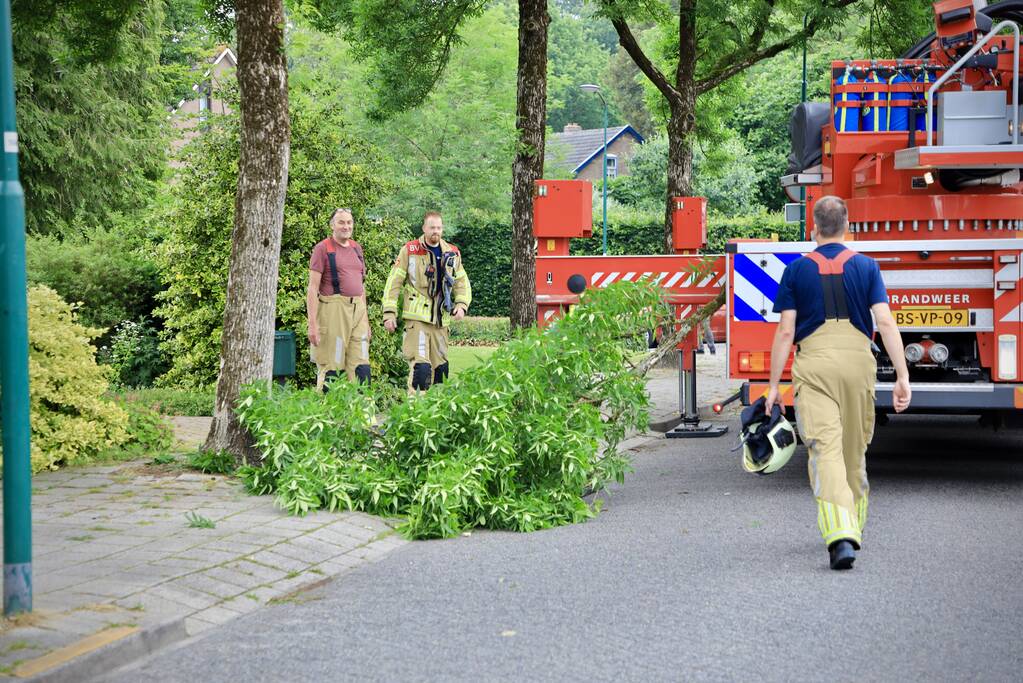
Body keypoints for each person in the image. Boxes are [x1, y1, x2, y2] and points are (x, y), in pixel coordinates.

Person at [765, 195, 911, 570]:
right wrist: (902, 375)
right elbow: (886, 321)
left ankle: (840, 535)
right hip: (858, 364)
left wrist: (772, 386)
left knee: (824, 449)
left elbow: (785, 332)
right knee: (852, 451)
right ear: (847, 227)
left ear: (813, 228)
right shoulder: (867, 267)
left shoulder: (796, 271)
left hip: (814, 367)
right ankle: (852, 525)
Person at [382, 211, 471, 392]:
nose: (435, 231)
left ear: (442, 229)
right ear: (424, 228)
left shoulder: (452, 253)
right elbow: (394, 282)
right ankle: (415, 413)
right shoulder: (410, 250)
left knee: (441, 371)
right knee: (421, 370)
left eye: (438, 228)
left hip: (441, 320)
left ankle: (437, 412)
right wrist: (389, 313)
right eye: (431, 228)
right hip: (417, 318)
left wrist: (461, 305)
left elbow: (462, 282)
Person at [307, 208, 371, 390]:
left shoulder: (356, 248)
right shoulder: (322, 249)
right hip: (333, 311)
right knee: (332, 368)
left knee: (361, 367)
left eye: (349, 222)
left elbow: (361, 287)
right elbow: (312, 288)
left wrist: (365, 320)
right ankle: (327, 415)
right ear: (332, 225)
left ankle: (363, 415)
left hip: (357, 310)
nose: (346, 226)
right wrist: (312, 323)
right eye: (341, 222)